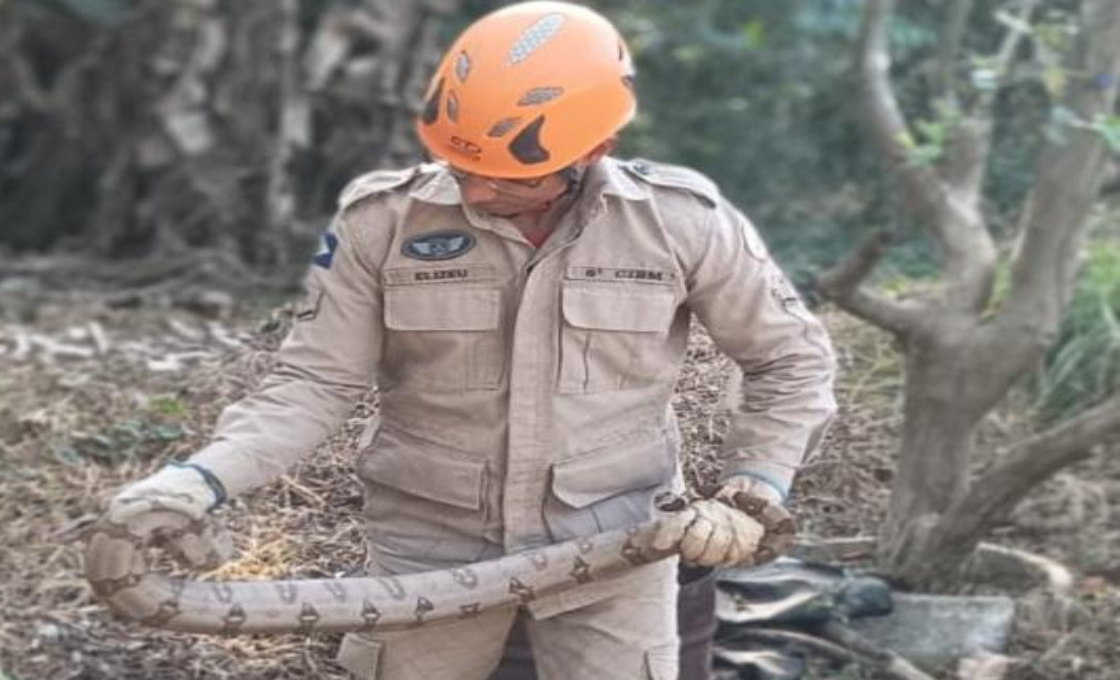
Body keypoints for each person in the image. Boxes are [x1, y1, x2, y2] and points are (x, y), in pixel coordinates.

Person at [109, 2, 836, 679]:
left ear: (596, 146)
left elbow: (789, 360)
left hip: (618, 546)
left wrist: (755, 488)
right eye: (464, 169)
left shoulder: (682, 224)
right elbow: (313, 385)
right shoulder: (380, 224)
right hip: (426, 549)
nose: (477, 193)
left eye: (508, 178)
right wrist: (201, 479)